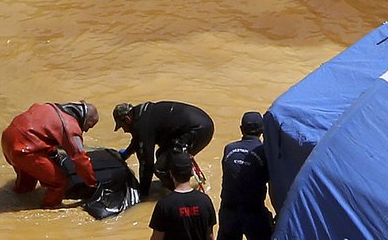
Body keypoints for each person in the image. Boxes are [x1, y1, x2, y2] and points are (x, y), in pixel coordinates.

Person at [1, 101, 99, 207]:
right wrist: (92, 183)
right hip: (24, 151)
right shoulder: (71, 128)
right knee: (59, 184)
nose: (86, 130)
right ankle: (48, 209)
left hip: (8, 140)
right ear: (85, 119)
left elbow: (40, 132)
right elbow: (80, 159)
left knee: (27, 184)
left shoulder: (50, 107)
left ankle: (14, 203)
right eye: (89, 126)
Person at [114, 101, 215, 198]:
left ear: (127, 119)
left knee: (160, 168)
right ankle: (180, 177)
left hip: (198, 130)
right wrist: (126, 154)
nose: (124, 131)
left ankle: (181, 194)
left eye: (122, 126)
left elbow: (146, 163)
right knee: (161, 154)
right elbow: (138, 140)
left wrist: (143, 193)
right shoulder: (141, 114)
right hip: (201, 123)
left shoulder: (142, 125)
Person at [217, 112, 274, 240]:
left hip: (229, 211)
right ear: (262, 130)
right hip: (253, 211)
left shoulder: (229, 149)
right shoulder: (266, 152)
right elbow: (272, 186)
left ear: (241, 129)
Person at [148, 152, 217, 240]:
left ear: (171, 174)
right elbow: (210, 236)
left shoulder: (164, 205)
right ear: (191, 173)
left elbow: (157, 238)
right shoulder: (205, 201)